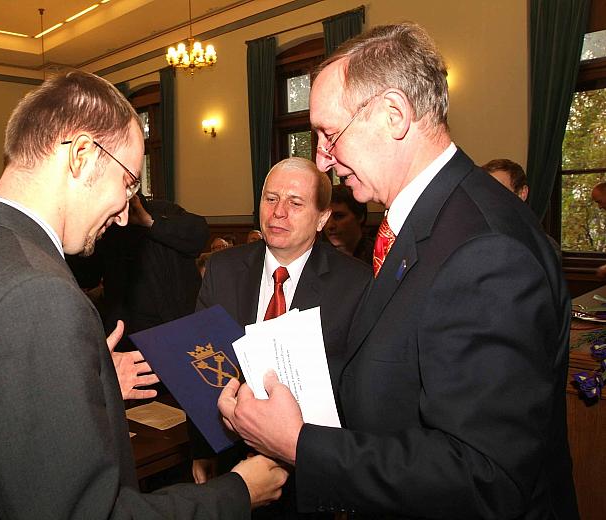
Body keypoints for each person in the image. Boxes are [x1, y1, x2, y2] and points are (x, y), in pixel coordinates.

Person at [0, 71, 287, 519]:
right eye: (128, 182)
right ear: (81, 155)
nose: (121, 214)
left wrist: (81, 385)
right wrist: (236, 492)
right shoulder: (39, 295)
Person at [218, 22, 577, 519]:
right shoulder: (428, 218)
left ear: (393, 115)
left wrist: (300, 444)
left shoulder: (487, 250)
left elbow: (483, 478)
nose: (322, 160)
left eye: (329, 133)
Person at [191, 157, 371, 518]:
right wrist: (205, 447)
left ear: (322, 218)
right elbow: (202, 365)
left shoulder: (358, 284)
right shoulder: (223, 269)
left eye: (295, 202)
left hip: (311, 479)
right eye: (270, 199)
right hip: (232, 465)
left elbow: (360, 393)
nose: (278, 213)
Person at [85, 193, 210, 348]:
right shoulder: (106, 227)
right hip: (129, 335)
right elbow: (88, 276)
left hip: (179, 324)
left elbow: (199, 234)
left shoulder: (164, 210)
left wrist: (149, 221)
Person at [322, 184, 372, 264]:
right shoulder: (317, 257)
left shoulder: (378, 257)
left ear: (359, 216)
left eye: (339, 216)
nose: (330, 225)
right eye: (325, 218)